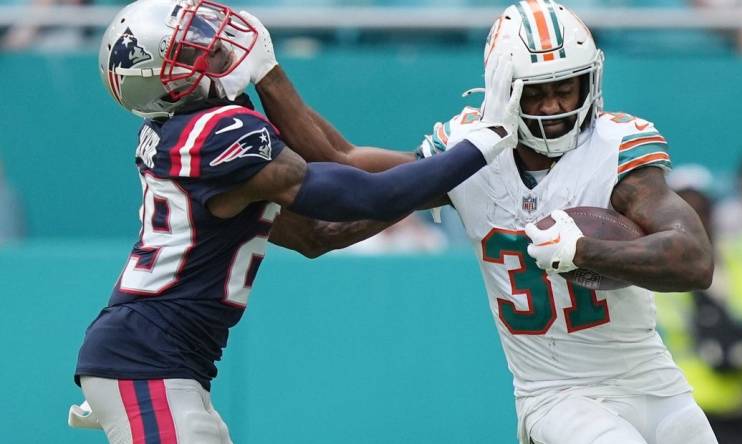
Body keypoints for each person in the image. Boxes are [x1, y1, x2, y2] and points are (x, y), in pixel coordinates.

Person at [250, 1, 718, 443]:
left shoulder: (616, 149)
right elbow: (339, 168)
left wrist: (583, 251)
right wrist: (264, 74)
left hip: (653, 381)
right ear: (503, 88)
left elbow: (694, 261)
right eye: (538, 92)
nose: (556, 108)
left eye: (565, 88)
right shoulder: (469, 152)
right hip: (556, 395)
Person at [70, 0, 523, 442]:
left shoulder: (196, 136)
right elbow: (364, 192)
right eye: (190, 49)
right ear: (166, 84)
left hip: (160, 362)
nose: (214, 43)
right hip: (147, 362)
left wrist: (433, 170)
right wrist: (477, 148)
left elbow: (315, 235)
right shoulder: (215, 135)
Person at [657, 165, 742, 444]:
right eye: (684, 209)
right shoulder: (651, 269)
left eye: (701, 208)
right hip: (696, 408)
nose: (694, 218)